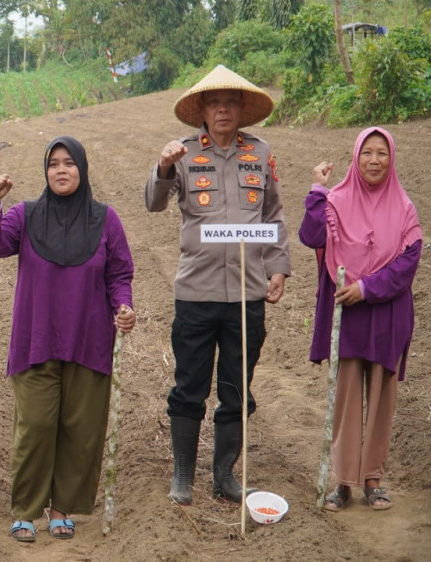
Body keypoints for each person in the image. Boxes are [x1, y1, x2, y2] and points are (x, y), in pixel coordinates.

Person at [0, 137, 136, 542]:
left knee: (80, 430)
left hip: (88, 338)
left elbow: (119, 273)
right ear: (45, 171)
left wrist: (123, 306)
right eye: (53, 164)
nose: (61, 170)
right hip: (37, 338)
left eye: (69, 163)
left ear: (82, 169)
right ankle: (26, 510)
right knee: (35, 425)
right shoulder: (26, 215)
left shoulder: (105, 219)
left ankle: (63, 508)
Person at [144, 64, 291, 505]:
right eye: (214, 102)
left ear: (242, 109)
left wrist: (278, 268)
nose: (223, 109)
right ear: (202, 111)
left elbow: (274, 216)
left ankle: (225, 474)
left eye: (230, 102)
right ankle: (183, 475)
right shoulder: (184, 153)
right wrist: (163, 166)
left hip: (247, 294)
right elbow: (152, 204)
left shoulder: (261, 154)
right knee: (189, 386)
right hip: (196, 293)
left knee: (235, 387)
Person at [299, 127, 421, 513]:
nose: (373, 160)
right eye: (366, 152)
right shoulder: (334, 200)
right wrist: (318, 190)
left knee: (383, 400)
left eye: (381, 153)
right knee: (347, 397)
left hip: (387, 315)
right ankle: (344, 482)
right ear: (356, 157)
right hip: (346, 316)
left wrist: (365, 288)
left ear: (392, 159)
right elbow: (311, 234)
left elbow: (406, 265)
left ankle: (374, 480)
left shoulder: (404, 208)